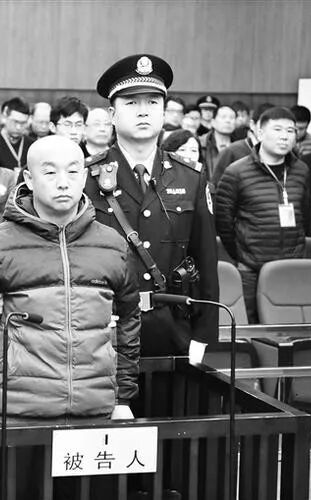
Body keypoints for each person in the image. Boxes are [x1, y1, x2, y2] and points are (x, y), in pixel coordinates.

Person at [0, 135, 140, 499]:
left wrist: (123, 399)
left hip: (95, 410)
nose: (63, 182)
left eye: (73, 171)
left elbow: (128, 324)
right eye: (50, 172)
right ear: (28, 177)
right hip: (21, 413)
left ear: (85, 176)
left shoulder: (113, 244)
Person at [85, 55, 219, 360]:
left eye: (153, 102)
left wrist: (204, 338)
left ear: (164, 112)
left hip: (174, 331)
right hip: (104, 332)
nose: (143, 110)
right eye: (131, 102)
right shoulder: (86, 177)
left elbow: (206, 263)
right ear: (112, 115)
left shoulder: (190, 177)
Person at [215, 107, 310, 323]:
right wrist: (243, 253)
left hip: (291, 266)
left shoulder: (302, 170)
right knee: (250, 326)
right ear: (259, 133)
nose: (284, 136)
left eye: (290, 131)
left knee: (287, 326)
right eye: (277, 129)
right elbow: (223, 221)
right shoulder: (236, 172)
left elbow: (305, 215)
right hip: (250, 268)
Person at [211, 102, 274, 191]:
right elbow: (217, 186)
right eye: (263, 125)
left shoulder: (282, 152)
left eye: (276, 128)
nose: (268, 131)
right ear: (252, 124)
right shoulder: (232, 150)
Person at [0, 96, 34, 170]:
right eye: (15, 122)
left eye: (23, 123)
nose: (18, 127)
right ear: (5, 118)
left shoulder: (32, 145)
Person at [199, 104, 235, 182]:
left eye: (232, 118)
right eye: (223, 117)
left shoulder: (240, 145)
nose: (228, 121)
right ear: (213, 122)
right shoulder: (201, 144)